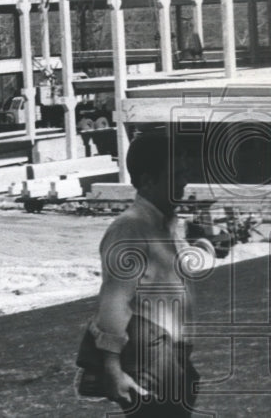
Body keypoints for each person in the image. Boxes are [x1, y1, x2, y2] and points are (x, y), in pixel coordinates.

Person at [84, 130, 199, 417]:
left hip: (170, 357)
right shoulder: (130, 229)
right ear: (148, 180)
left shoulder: (167, 225)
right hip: (147, 362)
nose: (184, 181)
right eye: (176, 175)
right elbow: (114, 302)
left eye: (185, 172)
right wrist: (112, 369)